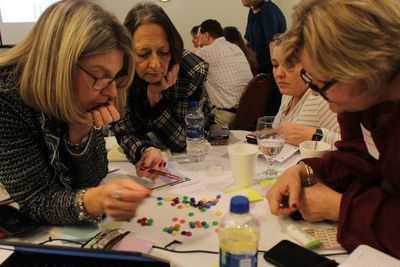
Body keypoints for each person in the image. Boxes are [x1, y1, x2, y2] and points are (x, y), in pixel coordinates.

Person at [266, 0, 400, 257]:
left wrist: (340, 208)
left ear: (363, 66)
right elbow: (358, 154)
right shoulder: (361, 99)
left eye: (321, 84)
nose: (317, 95)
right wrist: (303, 171)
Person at [0, 0, 150, 225]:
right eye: (99, 76)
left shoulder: (87, 97)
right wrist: (93, 200)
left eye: (114, 77)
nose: (110, 91)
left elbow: (91, 179)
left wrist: (80, 131)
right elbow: (37, 200)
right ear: (58, 65)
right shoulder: (6, 96)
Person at [113, 3, 208, 177]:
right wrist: (145, 151)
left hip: (189, 164)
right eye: (143, 54)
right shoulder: (120, 72)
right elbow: (125, 130)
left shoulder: (191, 72)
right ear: (127, 52)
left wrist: (156, 102)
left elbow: (183, 141)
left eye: (164, 52)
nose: (156, 65)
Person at [270, 34, 340, 146]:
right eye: (275, 65)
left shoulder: (320, 99)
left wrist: (315, 135)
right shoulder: (288, 94)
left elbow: (351, 146)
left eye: (289, 65)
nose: (278, 74)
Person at [196, 19, 253, 127]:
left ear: (207, 36)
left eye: (199, 38)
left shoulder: (205, 51)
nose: (198, 43)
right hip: (248, 114)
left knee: (191, 118)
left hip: (224, 118)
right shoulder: (236, 48)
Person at [242, 0, 286, 74]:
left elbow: (273, 41)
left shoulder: (266, 9)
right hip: (260, 66)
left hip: (269, 67)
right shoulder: (252, 11)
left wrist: (275, 70)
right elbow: (247, 40)